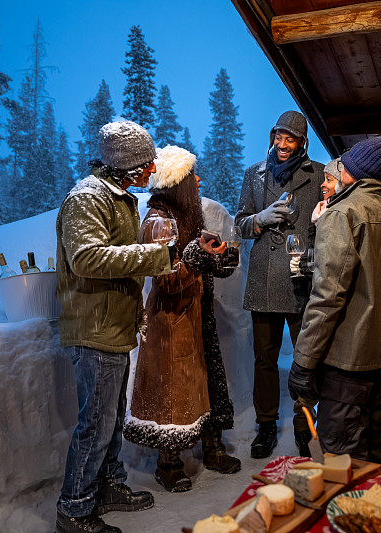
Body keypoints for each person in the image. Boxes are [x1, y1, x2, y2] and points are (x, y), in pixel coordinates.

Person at [55, 121, 175, 533]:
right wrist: (153, 255)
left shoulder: (119, 197)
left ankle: (106, 486)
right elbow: (86, 258)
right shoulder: (87, 199)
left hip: (113, 326)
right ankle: (74, 510)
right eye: (146, 162)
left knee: (110, 417)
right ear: (127, 167)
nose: (153, 166)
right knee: (95, 425)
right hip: (94, 328)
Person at [123, 145, 241, 492]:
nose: (199, 180)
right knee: (172, 394)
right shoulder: (158, 222)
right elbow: (167, 278)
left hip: (194, 315)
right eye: (193, 177)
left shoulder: (185, 216)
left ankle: (212, 446)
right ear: (177, 184)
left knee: (204, 384)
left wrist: (218, 259)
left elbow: (193, 264)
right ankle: (168, 462)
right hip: (171, 323)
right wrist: (197, 255)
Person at [287, 136, 381, 464]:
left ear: (354, 174)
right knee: (376, 455)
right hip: (375, 361)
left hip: (343, 364)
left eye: (345, 167)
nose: (339, 171)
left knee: (343, 464)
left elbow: (327, 297)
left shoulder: (341, 214)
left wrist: (303, 362)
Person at [235, 110, 324, 458]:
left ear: (302, 143)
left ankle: (305, 425)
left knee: (306, 357)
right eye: (278, 137)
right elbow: (240, 223)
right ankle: (266, 426)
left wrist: (314, 255)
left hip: (301, 279)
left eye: (290, 139)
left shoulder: (316, 174)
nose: (282, 145)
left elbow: (324, 223)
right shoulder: (254, 175)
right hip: (264, 280)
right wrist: (259, 218)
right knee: (264, 359)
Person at [310, 157, 341, 223]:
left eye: (328, 180)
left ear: (341, 183)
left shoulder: (341, 214)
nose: (322, 185)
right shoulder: (320, 209)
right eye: (324, 179)